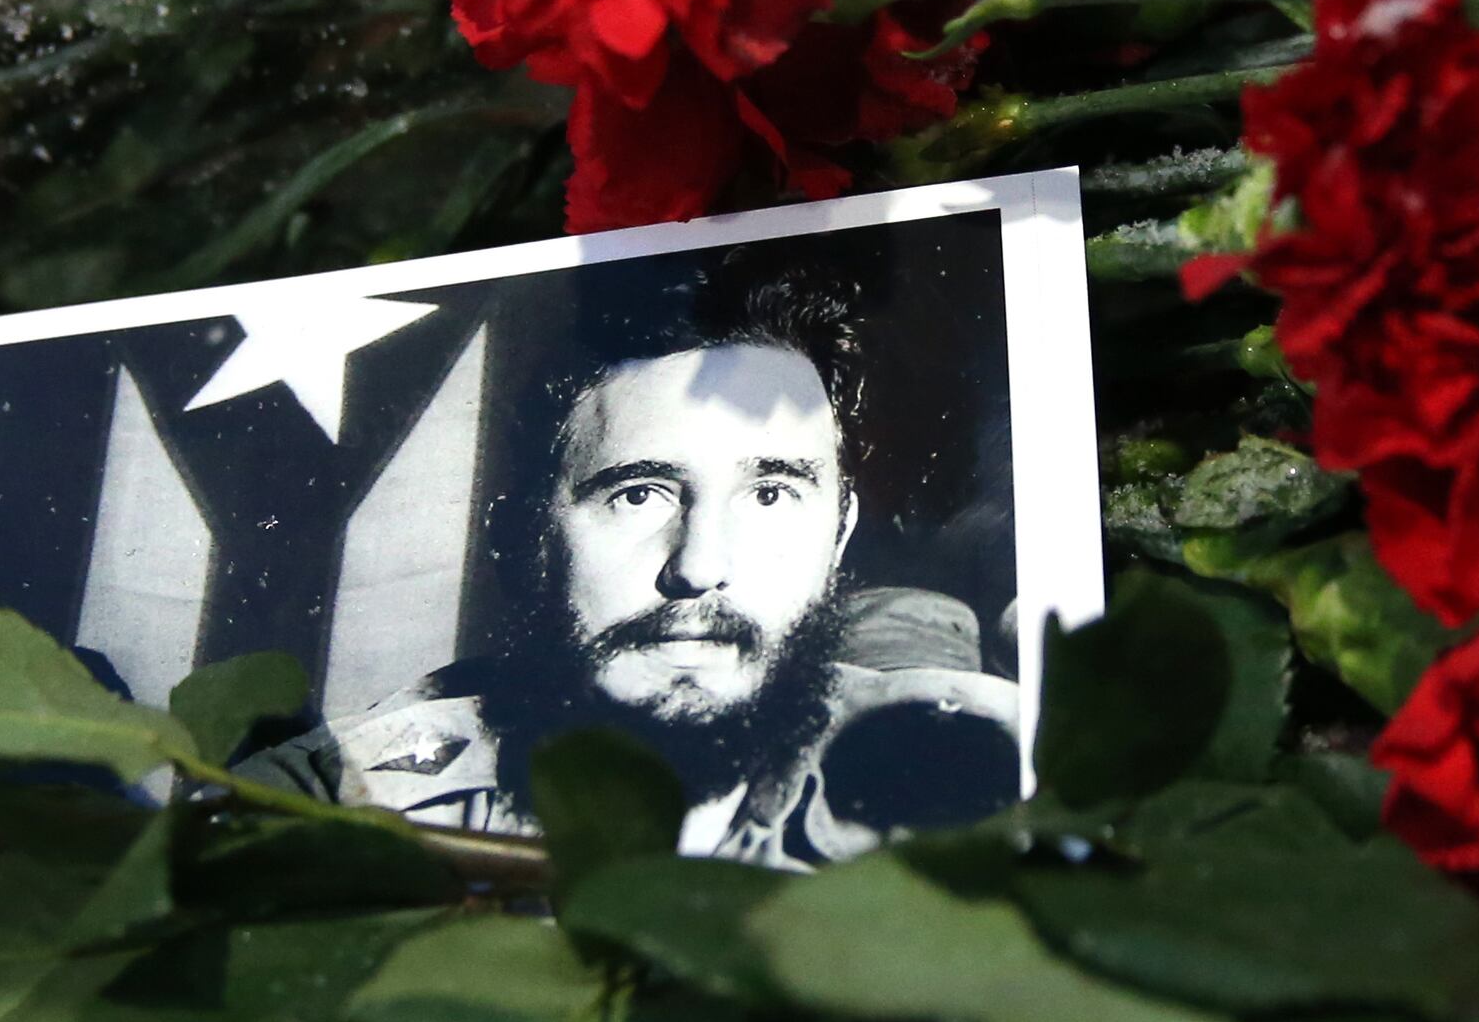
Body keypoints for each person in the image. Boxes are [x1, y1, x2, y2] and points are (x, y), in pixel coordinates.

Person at [247, 247, 1022, 866]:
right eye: (640, 494)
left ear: (839, 536)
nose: (699, 566)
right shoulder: (327, 800)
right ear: (521, 534)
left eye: (771, 495)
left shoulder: (991, 765)